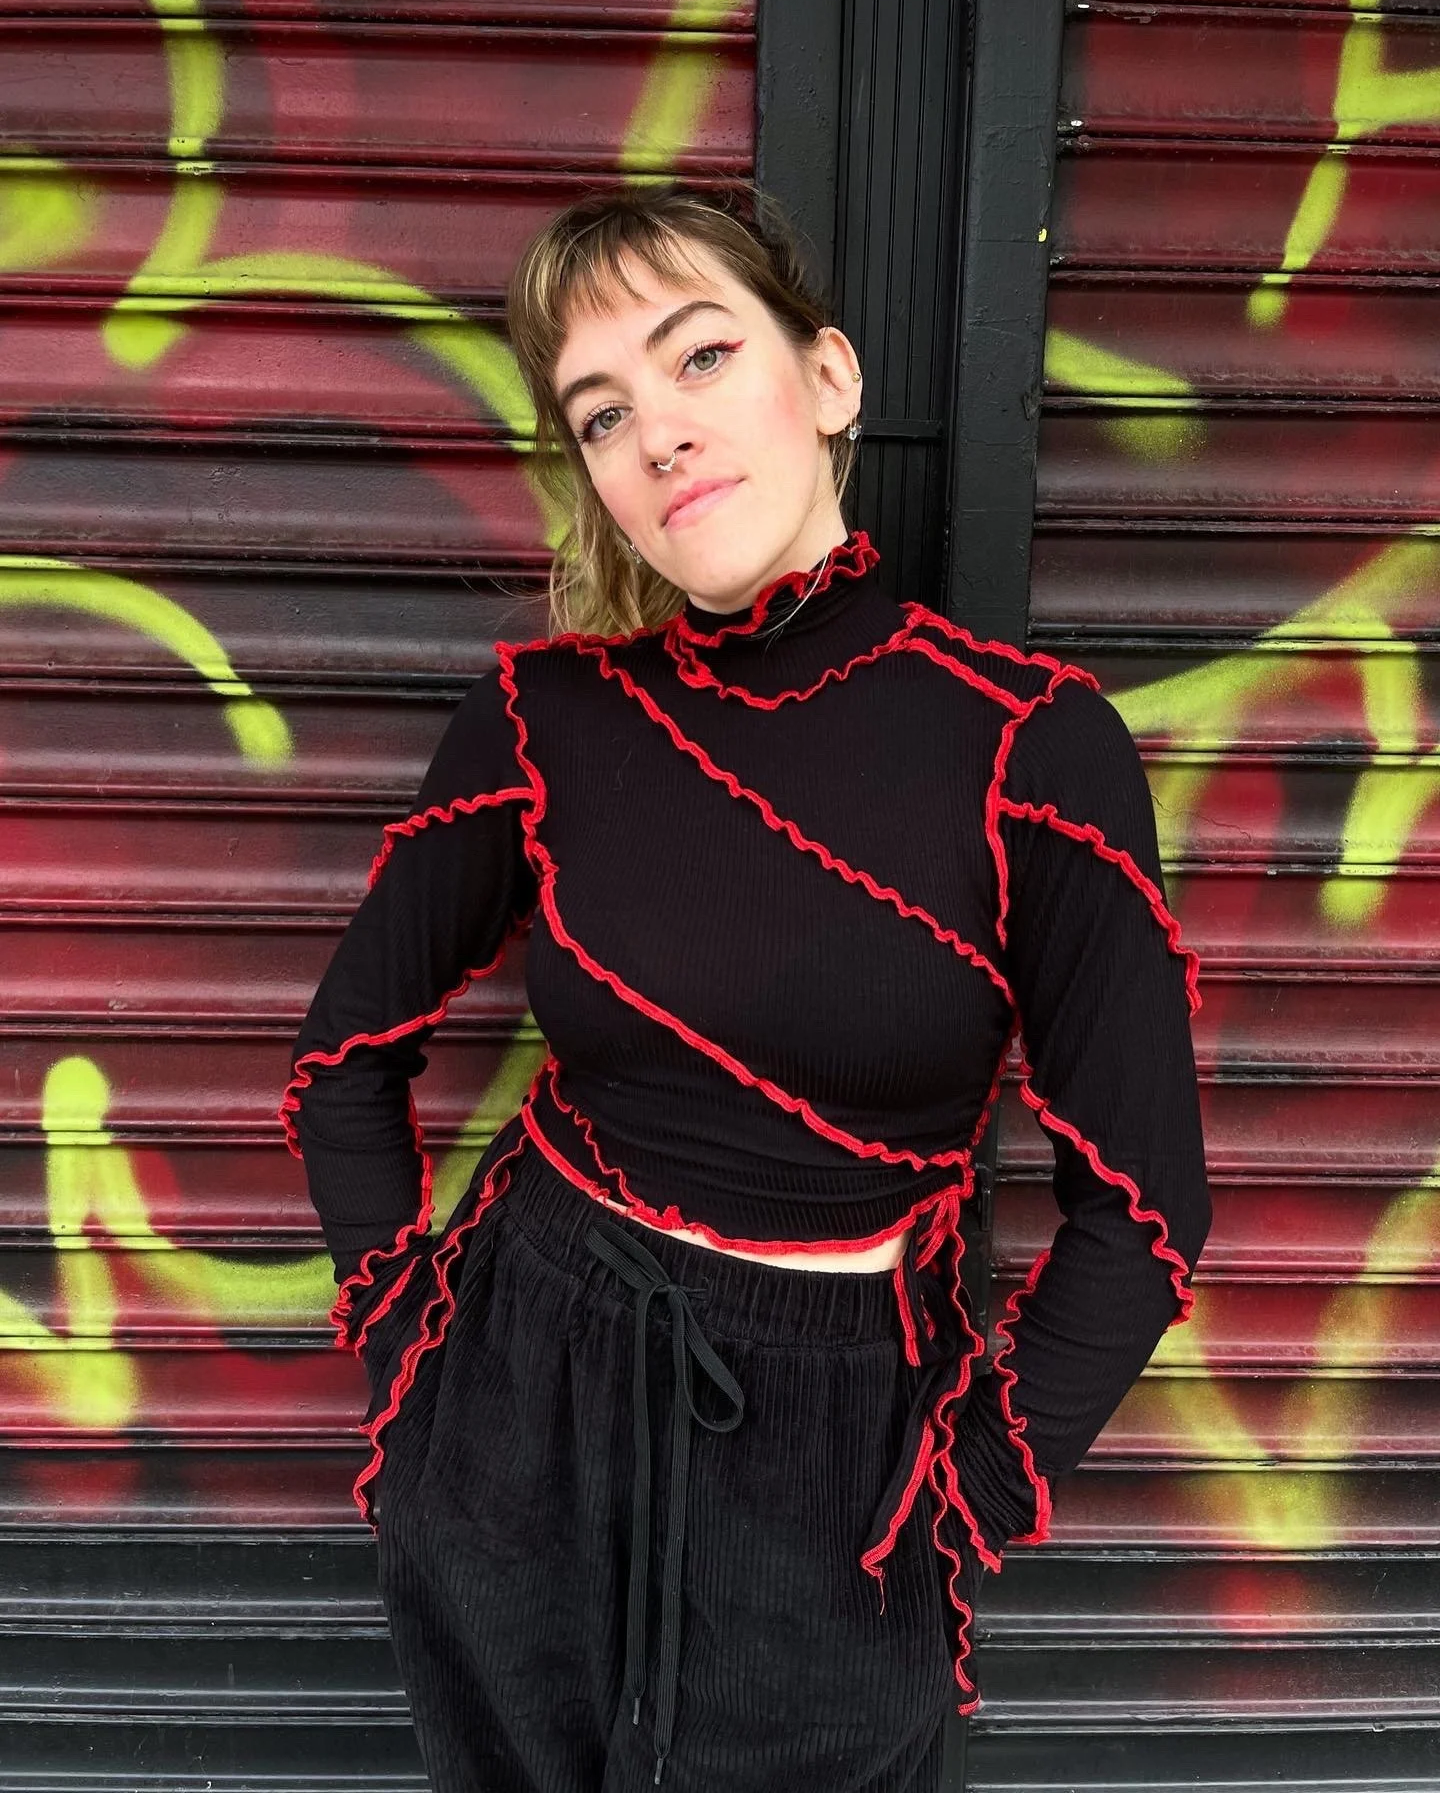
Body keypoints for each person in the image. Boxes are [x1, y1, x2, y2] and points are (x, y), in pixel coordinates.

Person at [280, 181, 1210, 1793]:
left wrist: (970, 1504)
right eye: (602, 411)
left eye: (701, 354)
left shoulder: (1034, 752)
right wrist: (413, 1355)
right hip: (518, 1401)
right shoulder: (540, 723)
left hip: (844, 1455)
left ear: (832, 378)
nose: (660, 434)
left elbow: (1144, 1210)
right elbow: (343, 1063)